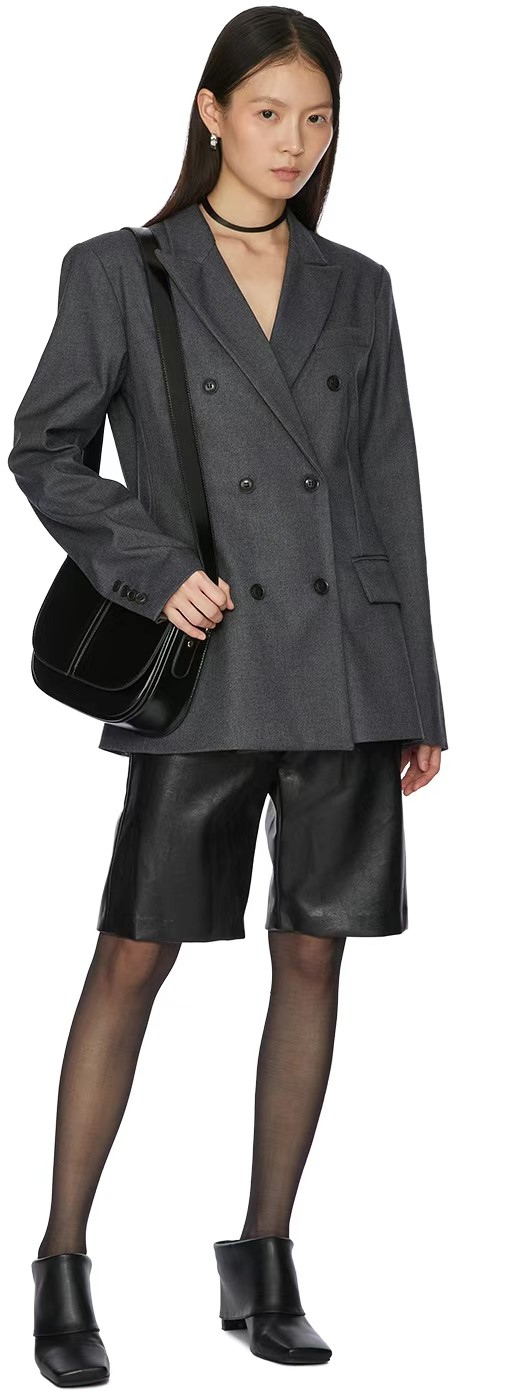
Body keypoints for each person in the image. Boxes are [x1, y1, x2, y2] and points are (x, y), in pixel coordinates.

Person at [8, 5, 448, 1381]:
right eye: (268, 113)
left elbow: (389, 490)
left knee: (313, 952)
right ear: (209, 112)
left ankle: (263, 1256)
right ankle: (62, 1260)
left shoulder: (357, 284)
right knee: (134, 952)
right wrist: (156, 570)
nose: (294, 142)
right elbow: (45, 448)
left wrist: (417, 693)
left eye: (317, 119)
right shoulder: (118, 269)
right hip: (207, 668)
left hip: (343, 674)